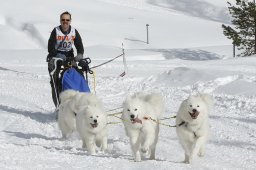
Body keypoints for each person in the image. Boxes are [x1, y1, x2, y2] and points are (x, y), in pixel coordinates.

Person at [47, 11, 84, 107]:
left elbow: (79, 45)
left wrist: (79, 55)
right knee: (55, 82)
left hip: (69, 56)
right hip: (55, 57)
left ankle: (79, 104)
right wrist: (57, 55)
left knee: (77, 76)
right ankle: (59, 107)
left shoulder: (74, 31)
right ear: (60, 20)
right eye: (63, 20)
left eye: (67, 20)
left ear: (70, 21)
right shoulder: (56, 31)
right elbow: (50, 47)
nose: (65, 22)